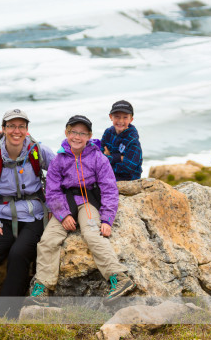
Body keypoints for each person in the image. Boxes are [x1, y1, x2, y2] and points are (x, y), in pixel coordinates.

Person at [30, 115, 135, 305]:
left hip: (88, 201)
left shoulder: (98, 158)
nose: (77, 137)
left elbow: (109, 189)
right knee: (48, 240)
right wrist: (63, 215)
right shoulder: (59, 159)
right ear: (66, 133)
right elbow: (52, 191)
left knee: (93, 234)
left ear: (89, 136)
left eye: (82, 133)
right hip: (65, 202)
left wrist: (107, 219)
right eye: (73, 132)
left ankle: (119, 278)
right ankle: (42, 287)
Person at [0, 109, 55, 317]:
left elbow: (58, 174)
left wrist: (55, 207)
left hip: (34, 217)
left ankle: (7, 314)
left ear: (27, 130)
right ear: (3, 129)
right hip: (3, 218)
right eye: (11, 126)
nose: (16, 131)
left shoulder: (38, 151)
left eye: (21, 126)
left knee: (18, 255)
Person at [101, 100, 143, 181]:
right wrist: (120, 158)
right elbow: (100, 156)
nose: (121, 121)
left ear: (131, 119)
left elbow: (129, 167)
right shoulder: (108, 133)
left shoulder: (133, 141)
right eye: (117, 116)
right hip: (109, 174)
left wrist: (110, 157)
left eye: (125, 117)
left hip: (128, 179)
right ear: (111, 117)